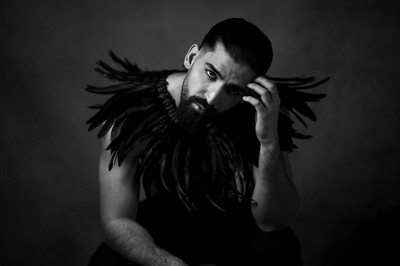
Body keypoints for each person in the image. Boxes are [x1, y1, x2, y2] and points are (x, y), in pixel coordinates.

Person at [86, 18, 327, 266]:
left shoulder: (262, 112)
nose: (212, 98)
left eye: (233, 90)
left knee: (276, 249)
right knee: (108, 261)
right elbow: (116, 222)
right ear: (191, 57)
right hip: (163, 226)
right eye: (211, 73)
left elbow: (273, 221)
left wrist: (268, 143)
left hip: (238, 228)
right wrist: (171, 265)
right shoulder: (132, 117)